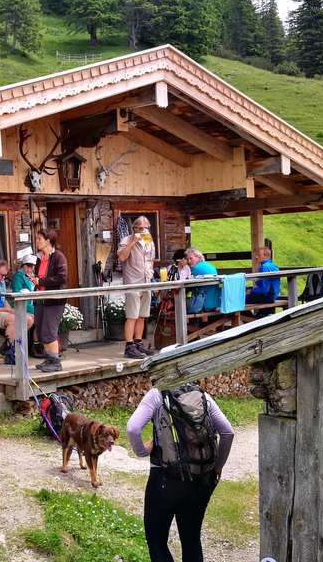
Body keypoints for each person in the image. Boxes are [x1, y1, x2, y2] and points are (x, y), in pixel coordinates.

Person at [127, 385, 234, 562]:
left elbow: (133, 428)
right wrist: (217, 466)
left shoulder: (156, 395)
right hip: (201, 479)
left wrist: (142, 451)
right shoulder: (201, 395)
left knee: (157, 541)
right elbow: (227, 432)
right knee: (191, 540)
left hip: (165, 479)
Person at [117, 216, 156, 359]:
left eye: (146, 227)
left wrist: (150, 273)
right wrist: (133, 241)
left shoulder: (148, 240)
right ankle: (129, 346)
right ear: (135, 228)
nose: (144, 230)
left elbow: (150, 258)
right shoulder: (126, 241)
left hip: (146, 280)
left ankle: (138, 343)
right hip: (133, 281)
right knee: (132, 315)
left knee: (142, 315)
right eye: (141, 228)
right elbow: (121, 258)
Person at [32, 229, 68, 373]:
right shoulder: (40, 258)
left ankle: (55, 361)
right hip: (40, 298)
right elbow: (37, 277)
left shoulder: (59, 256)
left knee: (49, 330)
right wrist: (35, 282)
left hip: (54, 300)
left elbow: (62, 277)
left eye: (39, 239)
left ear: (48, 241)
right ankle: (49, 358)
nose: (37, 241)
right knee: (41, 330)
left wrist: (41, 281)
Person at [185, 247, 219, 312]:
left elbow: (186, 283)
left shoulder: (196, 268)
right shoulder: (208, 265)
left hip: (203, 304)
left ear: (198, 257)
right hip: (215, 302)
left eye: (191, 258)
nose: (189, 261)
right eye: (187, 259)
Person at [247, 246, 280, 313]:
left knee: (239, 299)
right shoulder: (274, 266)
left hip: (267, 297)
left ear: (265, 256)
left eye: (258, 255)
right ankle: (252, 319)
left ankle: (251, 320)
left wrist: (251, 292)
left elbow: (264, 289)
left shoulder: (264, 267)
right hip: (273, 296)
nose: (256, 257)